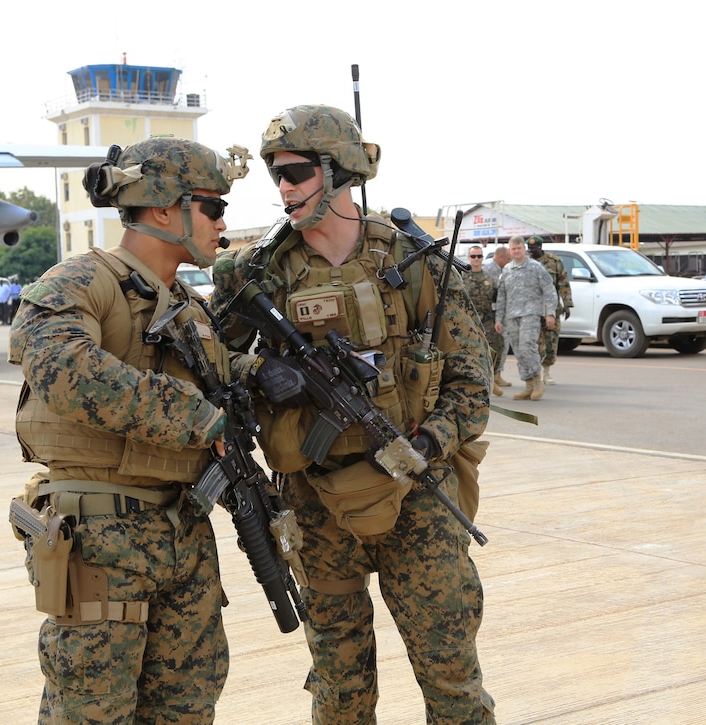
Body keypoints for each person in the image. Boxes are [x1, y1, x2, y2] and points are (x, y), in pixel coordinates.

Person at [212, 104, 496, 723]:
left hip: (415, 494)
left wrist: (427, 442)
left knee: (452, 680)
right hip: (314, 504)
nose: (283, 188)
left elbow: (474, 384)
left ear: (338, 171)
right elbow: (205, 369)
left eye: (295, 172)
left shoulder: (417, 267)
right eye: (275, 175)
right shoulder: (253, 273)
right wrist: (259, 372)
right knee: (339, 690)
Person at [8, 137, 254, 722]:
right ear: (166, 208)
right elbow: (60, 368)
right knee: (91, 711)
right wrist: (196, 416)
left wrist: (264, 377)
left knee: (187, 706)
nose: (224, 222)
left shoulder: (190, 306)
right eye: (214, 207)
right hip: (102, 539)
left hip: (183, 532)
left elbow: (216, 383)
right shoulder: (81, 279)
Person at [495, 235, 558, 401]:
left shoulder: (536, 267)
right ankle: (528, 385)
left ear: (524, 249)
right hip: (511, 315)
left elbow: (549, 290)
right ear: (510, 250)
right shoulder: (507, 270)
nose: (516, 251)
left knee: (526, 346)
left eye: (519, 248)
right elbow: (501, 296)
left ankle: (538, 380)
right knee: (518, 350)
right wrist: (498, 318)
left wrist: (550, 313)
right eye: (513, 249)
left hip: (531, 313)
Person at [527, 235, 572, 385]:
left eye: (533, 249)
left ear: (540, 247)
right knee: (536, 344)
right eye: (529, 249)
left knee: (551, 343)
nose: (531, 251)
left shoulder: (554, 262)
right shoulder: (526, 262)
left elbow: (563, 282)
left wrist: (567, 304)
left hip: (552, 309)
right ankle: (537, 374)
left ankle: (547, 372)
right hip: (533, 309)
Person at [464, 244, 505, 397]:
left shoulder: (489, 277)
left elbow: (498, 298)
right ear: (468, 258)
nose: (476, 259)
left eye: (479, 256)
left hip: (487, 319)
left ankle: (492, 378)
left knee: (497, 345)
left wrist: (498, 320)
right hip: (468, 319)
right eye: (473, 256)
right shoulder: (462, 276)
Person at [482, 245, 513, 387]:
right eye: (508, 259)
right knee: (495, 344)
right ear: (500, 257)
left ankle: (497, 374)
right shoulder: (488, 269)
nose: (509, 261)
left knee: (503, 343)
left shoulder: (503, 269)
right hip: (489, 314)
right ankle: (491, 375)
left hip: (500, 312)